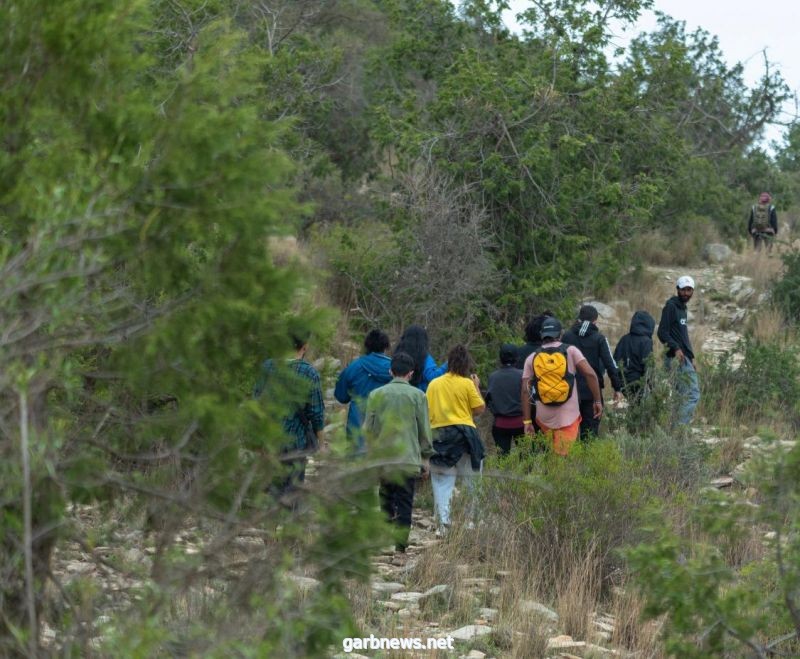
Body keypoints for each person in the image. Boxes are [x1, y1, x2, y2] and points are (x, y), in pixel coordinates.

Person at [363, 352, 433, 553]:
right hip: (409, 459)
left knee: (385, 495)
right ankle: (400, 545)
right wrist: (425, 458)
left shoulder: (376, 395)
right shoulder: (418, 396)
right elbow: (424, 430)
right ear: (411, 373)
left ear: (390, 371)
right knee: (405, 501)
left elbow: (369, 429)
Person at [253, 328, 325, 498]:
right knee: (292, 490)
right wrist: (321, 443)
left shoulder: (268, 367)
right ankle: (288, 520)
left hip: (269, 439)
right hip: (296, 441)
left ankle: (268, 521)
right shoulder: (310, 373)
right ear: (305, 346)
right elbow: (316, 413)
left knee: (270, 486)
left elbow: (256, 403)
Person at [521, 317, 602, 456]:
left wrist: (527, 421)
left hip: (544, 418)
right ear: (560, 334)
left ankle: (550, 473)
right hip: (568, 417)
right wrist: (597, 401)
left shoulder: (532, 357)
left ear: (542, 335)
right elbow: (590, 375)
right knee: (562, 459)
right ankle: (558, 474)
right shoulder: (571, 351)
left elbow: (524, 390)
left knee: (551, 454)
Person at [426, 345, 486, 533]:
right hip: (465, 435)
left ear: (449, 362)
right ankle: (472, 522)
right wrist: (476, 386)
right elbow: (479, 409)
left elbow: (426, 411)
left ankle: (443, 525)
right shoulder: (467, 383)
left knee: (442, 482)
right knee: (472, 480)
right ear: (466, 364)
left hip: (440, 436)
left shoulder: (434, 384)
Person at [561, 305, 623, 440]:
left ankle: (567, 460)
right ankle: (585, 460)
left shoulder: (566, 336)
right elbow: (610, 364)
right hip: (592, 392)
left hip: (569, 391)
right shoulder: (599, 338)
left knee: (566, 435)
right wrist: (617, 388)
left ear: (579, 319)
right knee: (589, 434)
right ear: (595, 321)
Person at [334, 329, 393, 453]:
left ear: (367, 345)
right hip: (386, 426)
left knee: (355, 465)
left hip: (357, 425)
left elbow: (341, 396)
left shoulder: (355, 366)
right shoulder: (394, 368)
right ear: (385, 347)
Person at [657, 276, 700, 425]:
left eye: (689, 290)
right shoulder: (671, 306)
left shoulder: (683, 308)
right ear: (677, 289)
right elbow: (662, 332)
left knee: (680, 396)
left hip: (684, 357)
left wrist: (691, 357)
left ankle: (673, 430)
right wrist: (675, 349)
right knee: (692, 394)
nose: (686, 293)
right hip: (676, 358)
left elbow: (682, 336)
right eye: (683, 290)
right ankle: (679, 430)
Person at [485, 344, 525, 454]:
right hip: (520, 423)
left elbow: (488, 400)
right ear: (517, 358)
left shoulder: (493, 376)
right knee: (526, 458)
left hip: (500, 424)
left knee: (502, 458)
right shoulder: (522, 375)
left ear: (500, 359)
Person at [613, 310, 656, 401]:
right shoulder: (646, 341)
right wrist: (653, 388)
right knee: (638, 412)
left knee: (623, 413)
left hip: (622, 385)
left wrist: (617, 386)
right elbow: (649, 366)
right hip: (638, 385)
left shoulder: (624, 339)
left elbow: (615, 361)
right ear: (649, 325)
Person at [394, 325, 447, 392]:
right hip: (419, 396)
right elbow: (431, 376)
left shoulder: (397, 357)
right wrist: (447, 364)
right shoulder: (424, 358)